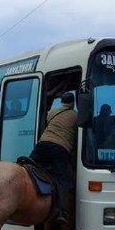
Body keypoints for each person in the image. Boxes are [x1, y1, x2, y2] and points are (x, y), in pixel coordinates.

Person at [30, 91, 77, 223]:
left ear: (61, 101)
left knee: (28, 168)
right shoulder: (75, 115)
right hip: (59, 148)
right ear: (73, 103)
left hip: (42, 144)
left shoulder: (52, 112)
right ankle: (62, 211)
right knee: (62, 180)